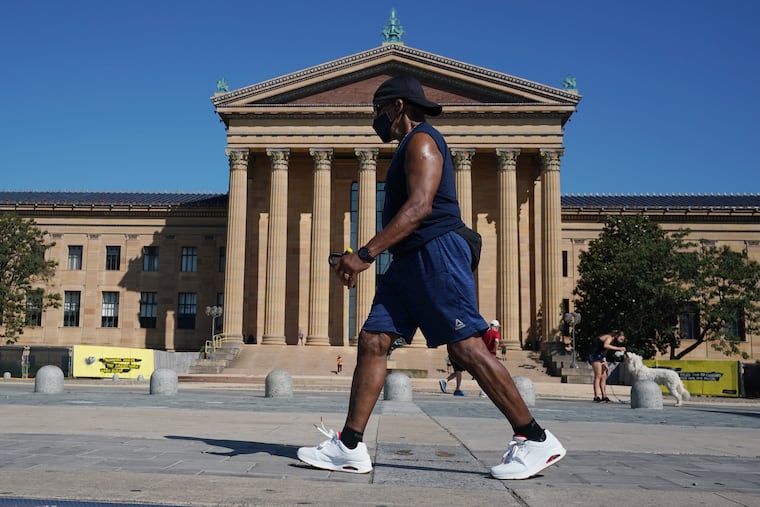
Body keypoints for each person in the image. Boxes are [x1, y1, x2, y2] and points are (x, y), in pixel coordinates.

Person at [297, 75, 566, 480]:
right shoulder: (409, 145)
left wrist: (367, 253)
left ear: (398, 107)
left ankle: (535, 438)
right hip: (408, 261)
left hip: (435, 251)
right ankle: (350, 446)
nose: (375, 120)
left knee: (466, 349)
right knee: (373, 340)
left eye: (378, 111)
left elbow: (421, 206)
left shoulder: (423, 141)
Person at [587, 330, 626, 403]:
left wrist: (604, 361)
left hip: (600, 356)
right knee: (598, 375)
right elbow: (605, 345)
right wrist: (619, 348)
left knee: (604, 376)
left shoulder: (612, 340)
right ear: (617, 336)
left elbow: (604, 350)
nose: (621, 341)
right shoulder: (609, 337)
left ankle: (604, 396)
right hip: (594, 355)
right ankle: (596, 396)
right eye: (621, 339)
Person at [479, 320, 501, 397]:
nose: (498, 328)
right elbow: (496, 341)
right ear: (496, 327)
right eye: (498, 327)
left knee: (485, 374)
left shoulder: (486, 333)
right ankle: (487, 391)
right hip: (491, 355)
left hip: (484, 354)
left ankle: (483, 391)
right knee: (492, 374)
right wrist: (495, 349)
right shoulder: (495, 333)